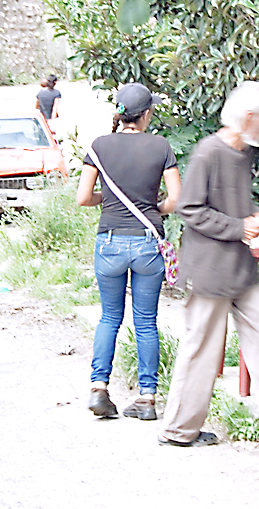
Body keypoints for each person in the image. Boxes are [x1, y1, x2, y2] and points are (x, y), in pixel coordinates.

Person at [157, 81, 259, 448]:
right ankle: (178, 432)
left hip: (240, 268)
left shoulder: (243, 153)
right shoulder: (208, 152)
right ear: (248, 117)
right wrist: (240, 226)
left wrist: (255, 219)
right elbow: (190, 208)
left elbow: (231, 209)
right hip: (209, 269)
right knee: (202, 349)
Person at [76, 83, 181, 421]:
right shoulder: (161, 146)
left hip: (109, 241)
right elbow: (175, 200)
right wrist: (156, 209)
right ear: (147, 113)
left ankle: (98, 389)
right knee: (146, 322)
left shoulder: (99, 146)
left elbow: (83, 197)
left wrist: (105, 201)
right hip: (148, 243)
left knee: (109, 317)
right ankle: (147, 398)